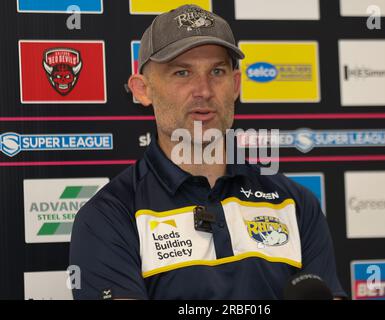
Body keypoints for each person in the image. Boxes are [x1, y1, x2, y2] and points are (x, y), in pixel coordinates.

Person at [70, 4, 346, 300]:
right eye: (181, 72)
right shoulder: (109, 216)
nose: (203, 89)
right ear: (142, 90)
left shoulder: (295, 203)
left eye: (217, 71)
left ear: (236, 84)